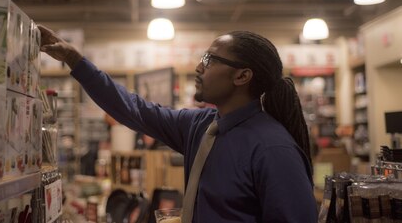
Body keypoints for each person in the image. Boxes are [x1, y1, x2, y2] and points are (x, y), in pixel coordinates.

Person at [39, 25, 318, 222]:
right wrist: (75, 61)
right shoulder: (200, 126)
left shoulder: (274, 149)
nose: (199, 67)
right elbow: (134, 109)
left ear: (242, 76)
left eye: (209, 60)